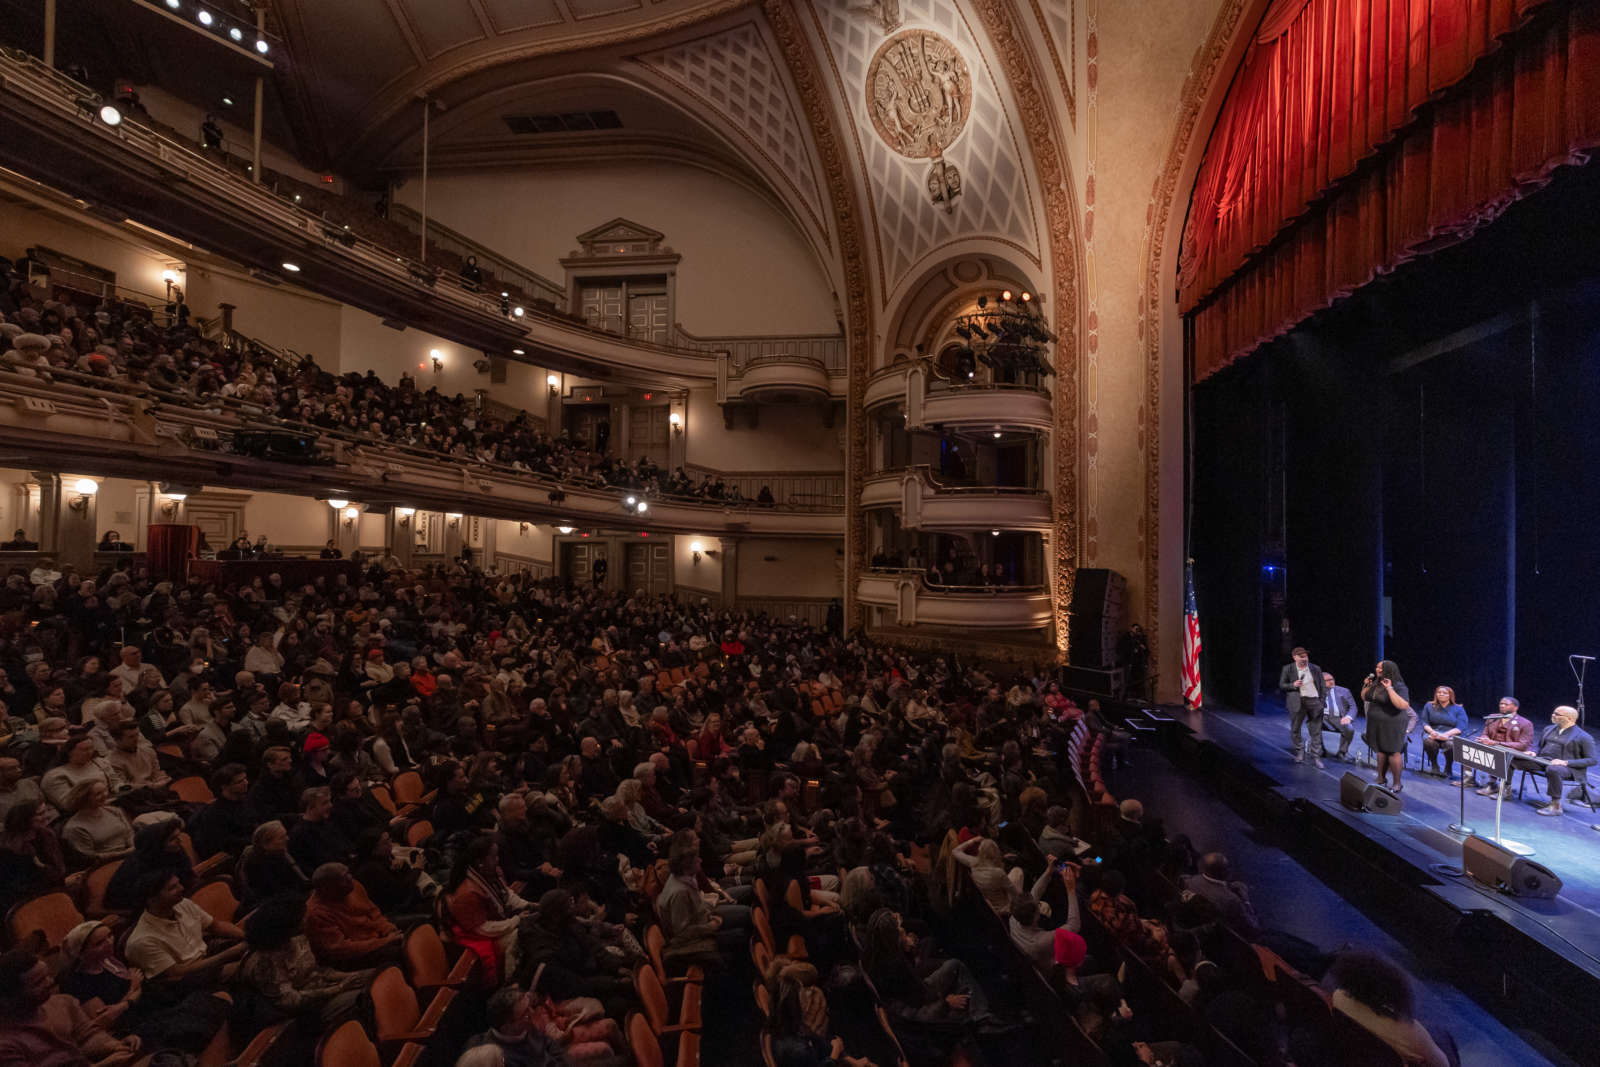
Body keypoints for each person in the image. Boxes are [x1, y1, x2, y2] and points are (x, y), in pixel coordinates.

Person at [0, 947, 144, 1065]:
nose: (50, 982)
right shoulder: (5, 1043)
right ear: (11, 996)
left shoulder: (63, 1003)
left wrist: (117, 1046)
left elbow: (88, 1037)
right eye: (38, 983)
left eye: (48, 976)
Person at [1327, 950, 1451, 1067]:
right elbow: (1443, 1064)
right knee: (1443, 1038)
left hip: (1349, 1058)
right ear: (1396, 991)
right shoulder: (1411, 1031)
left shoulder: (1339, 996)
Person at [124, 872, 246, 983]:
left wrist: (246, 936)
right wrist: (229, 954)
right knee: (250, 967)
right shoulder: (141, 941)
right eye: (172, 888)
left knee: (253, 949)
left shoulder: (183, 904)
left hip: (208, 953)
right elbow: (176, 973)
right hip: (188, 979)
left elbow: (215, 925)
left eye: (178, 883)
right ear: (152, 900)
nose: (181, 888)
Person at [303, 862, 402, 968]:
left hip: (373, 936)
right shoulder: (316, 913)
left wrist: (388, 929)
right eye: (343, 878)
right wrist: (384, 942)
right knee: (401, 952)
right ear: (327, 888)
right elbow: (341, 949)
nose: (350, 878)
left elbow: (373, 912)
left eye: (348, 873)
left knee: (413, 927)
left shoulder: (352, 886)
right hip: (348, 957)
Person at [1513, 706, 1596, 817]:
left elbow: (1592, 760)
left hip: (1569, 768)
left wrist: (1566, 762)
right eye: (1553, 713)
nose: (1553, 715)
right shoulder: (1549, 729)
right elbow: (1540, 746)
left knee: (1553, 769)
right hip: (1544, 761)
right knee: (1514, 758)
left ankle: (1555, 805)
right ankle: (1506, 789)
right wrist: (1534, 753)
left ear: (1569, 718)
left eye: (1557, 714)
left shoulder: (1583, 737)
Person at [1361, 661, 1412, 792]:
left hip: (1393, 722)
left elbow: (1403, 705)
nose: (1377, 669)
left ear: (1389, 669)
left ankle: (1397, 783)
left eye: (1381, 668)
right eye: (1377, 667)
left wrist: (1389, 688)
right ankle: (1381, 778)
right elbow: (1365, 697)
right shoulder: (1376, 683)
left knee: (1393, 751)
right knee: (1381, 750)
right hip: (1376, 722)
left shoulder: (1399, 685)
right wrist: (1367, 685)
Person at [1473, 697, 1535, 797]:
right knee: (1469, 746)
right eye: (1501, 704)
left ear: (1515, 707)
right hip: (1494, 746)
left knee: (1500, 755)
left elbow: (1523, 745)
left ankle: (1497, 785)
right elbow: (1485, 733)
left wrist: (1496, 743)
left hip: (1514, 751)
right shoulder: (1492, 717)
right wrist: (1485, 739)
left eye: (1506, 704)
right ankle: (1469, 777)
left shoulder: (1525, 723)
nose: (1502, 706)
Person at [1278, 647, 1327, 767]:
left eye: (1306, 656)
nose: (1304, 659)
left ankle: (1316, 756)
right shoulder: (1288, 669)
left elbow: (1322, 686)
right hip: (1297, 702)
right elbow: (1282, 685)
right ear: (1294, 657)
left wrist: (1321, 702)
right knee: (1295, 728)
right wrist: (1293, 685)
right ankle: (1300, 751)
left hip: (1314, 701)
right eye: (1301, 657)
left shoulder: (1315, 668)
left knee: (1316, 730)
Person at [1418, 686, 1469, 781]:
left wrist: (1446, 735)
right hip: (1433, 732)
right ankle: (1434, 766)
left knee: (1451, 745)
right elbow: (1424, 722)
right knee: (1429, 742)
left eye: (1444, 693)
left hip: (1451, 734)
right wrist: (1432, 732)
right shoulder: (1429, 706)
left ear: (1450, 696)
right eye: (1439, 692)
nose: (1441, 694)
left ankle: (1448, 768)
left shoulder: (1458, 708)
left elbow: (1461, 727)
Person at [1322, 672, 1360, 762]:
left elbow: (1353, 706)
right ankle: (1319, 748)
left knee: (1349, 728)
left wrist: (1348, 717)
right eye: (1328, 680)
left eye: (1332, 679)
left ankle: (1342, 752)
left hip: (1338, 718)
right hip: (1322, 718)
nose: (1331, 682)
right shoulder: (1315, 691)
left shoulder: (1344, 691)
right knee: (1312, 723)